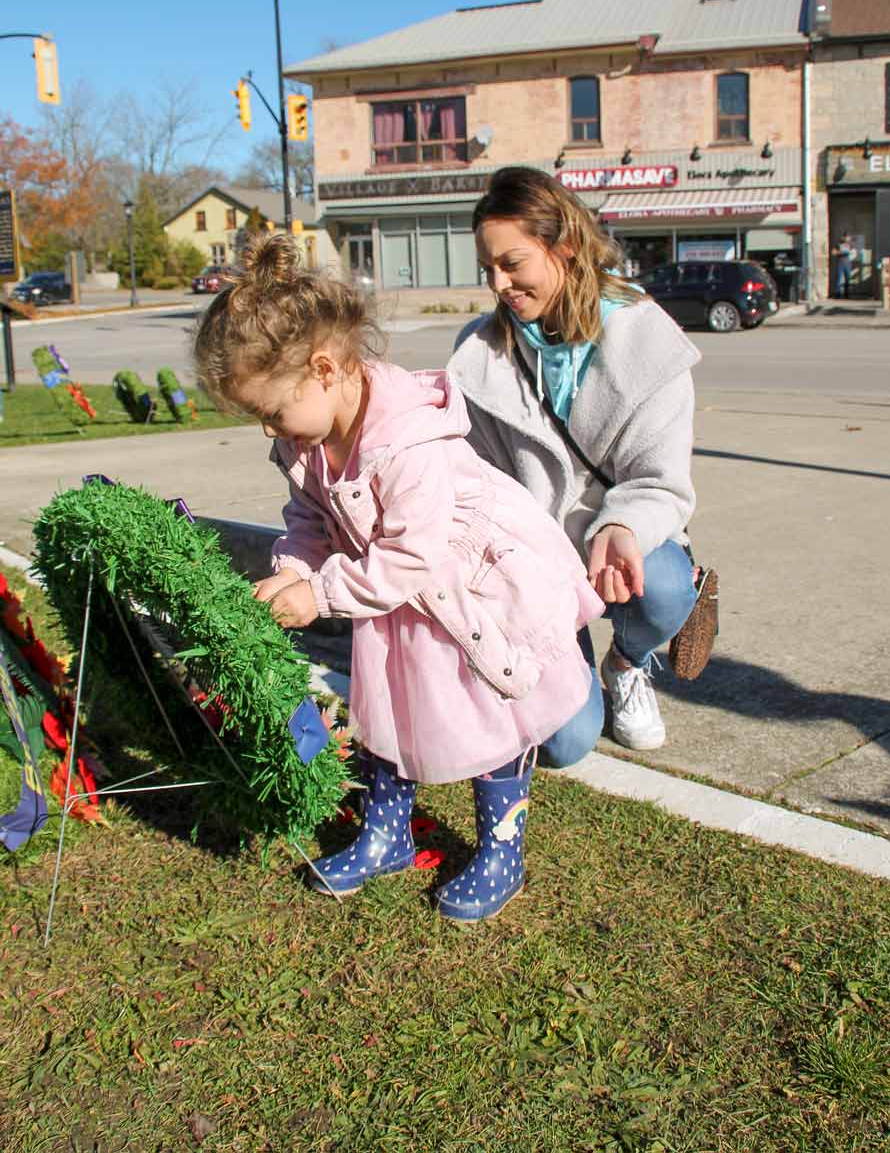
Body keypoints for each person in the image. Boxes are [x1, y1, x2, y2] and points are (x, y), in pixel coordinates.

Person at [193, 231, 604, 923]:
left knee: (491, 716)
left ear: (324, 370)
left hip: (468, 594)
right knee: (386, 709)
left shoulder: (406, 442)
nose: (270, 431)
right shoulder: (306, 441)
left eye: (272, 412)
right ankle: (386, 835)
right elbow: (308, 519)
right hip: (393, 596)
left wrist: (321, 592)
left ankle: (501, 848)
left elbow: (415, 555)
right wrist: (292, 568)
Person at [448, 166, 701, 760]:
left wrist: (622, 525)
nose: (499, 284)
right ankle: (562, 666)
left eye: (512, 263)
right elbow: (473, 476)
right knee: (565, 744)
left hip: (615, 542)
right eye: (487, 268)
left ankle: (626, 664)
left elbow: (662, 482)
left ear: (563, 246)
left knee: (665, 585)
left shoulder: (645, 339)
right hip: (534, 562)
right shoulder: (480, 351)